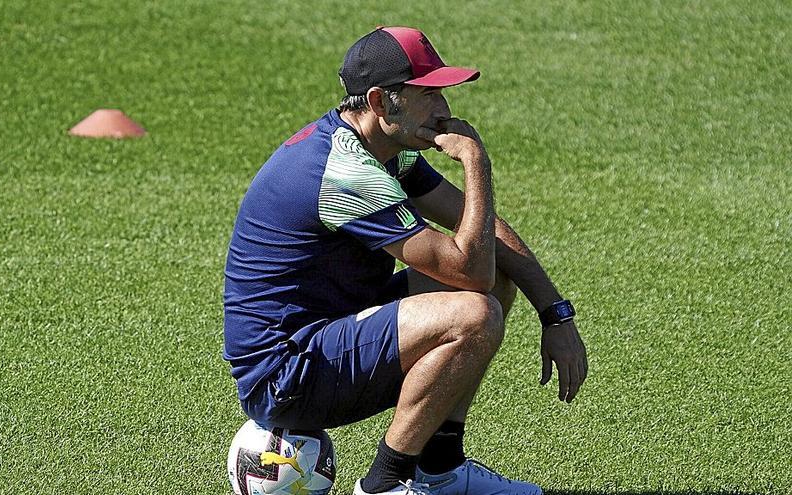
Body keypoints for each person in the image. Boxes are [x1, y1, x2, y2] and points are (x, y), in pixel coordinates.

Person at [223, 26, 588, 495]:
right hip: (286, 373)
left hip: (330, 328)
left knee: (495, 282)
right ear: (379, 101)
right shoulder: (345, 171)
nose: (445, 111)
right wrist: (476, 161)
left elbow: (485, 244)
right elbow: (468, 268)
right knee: (474, 312)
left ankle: (441, 469)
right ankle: (384, 484)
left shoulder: (383, 147)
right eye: (428, 94)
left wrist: (555, 312)